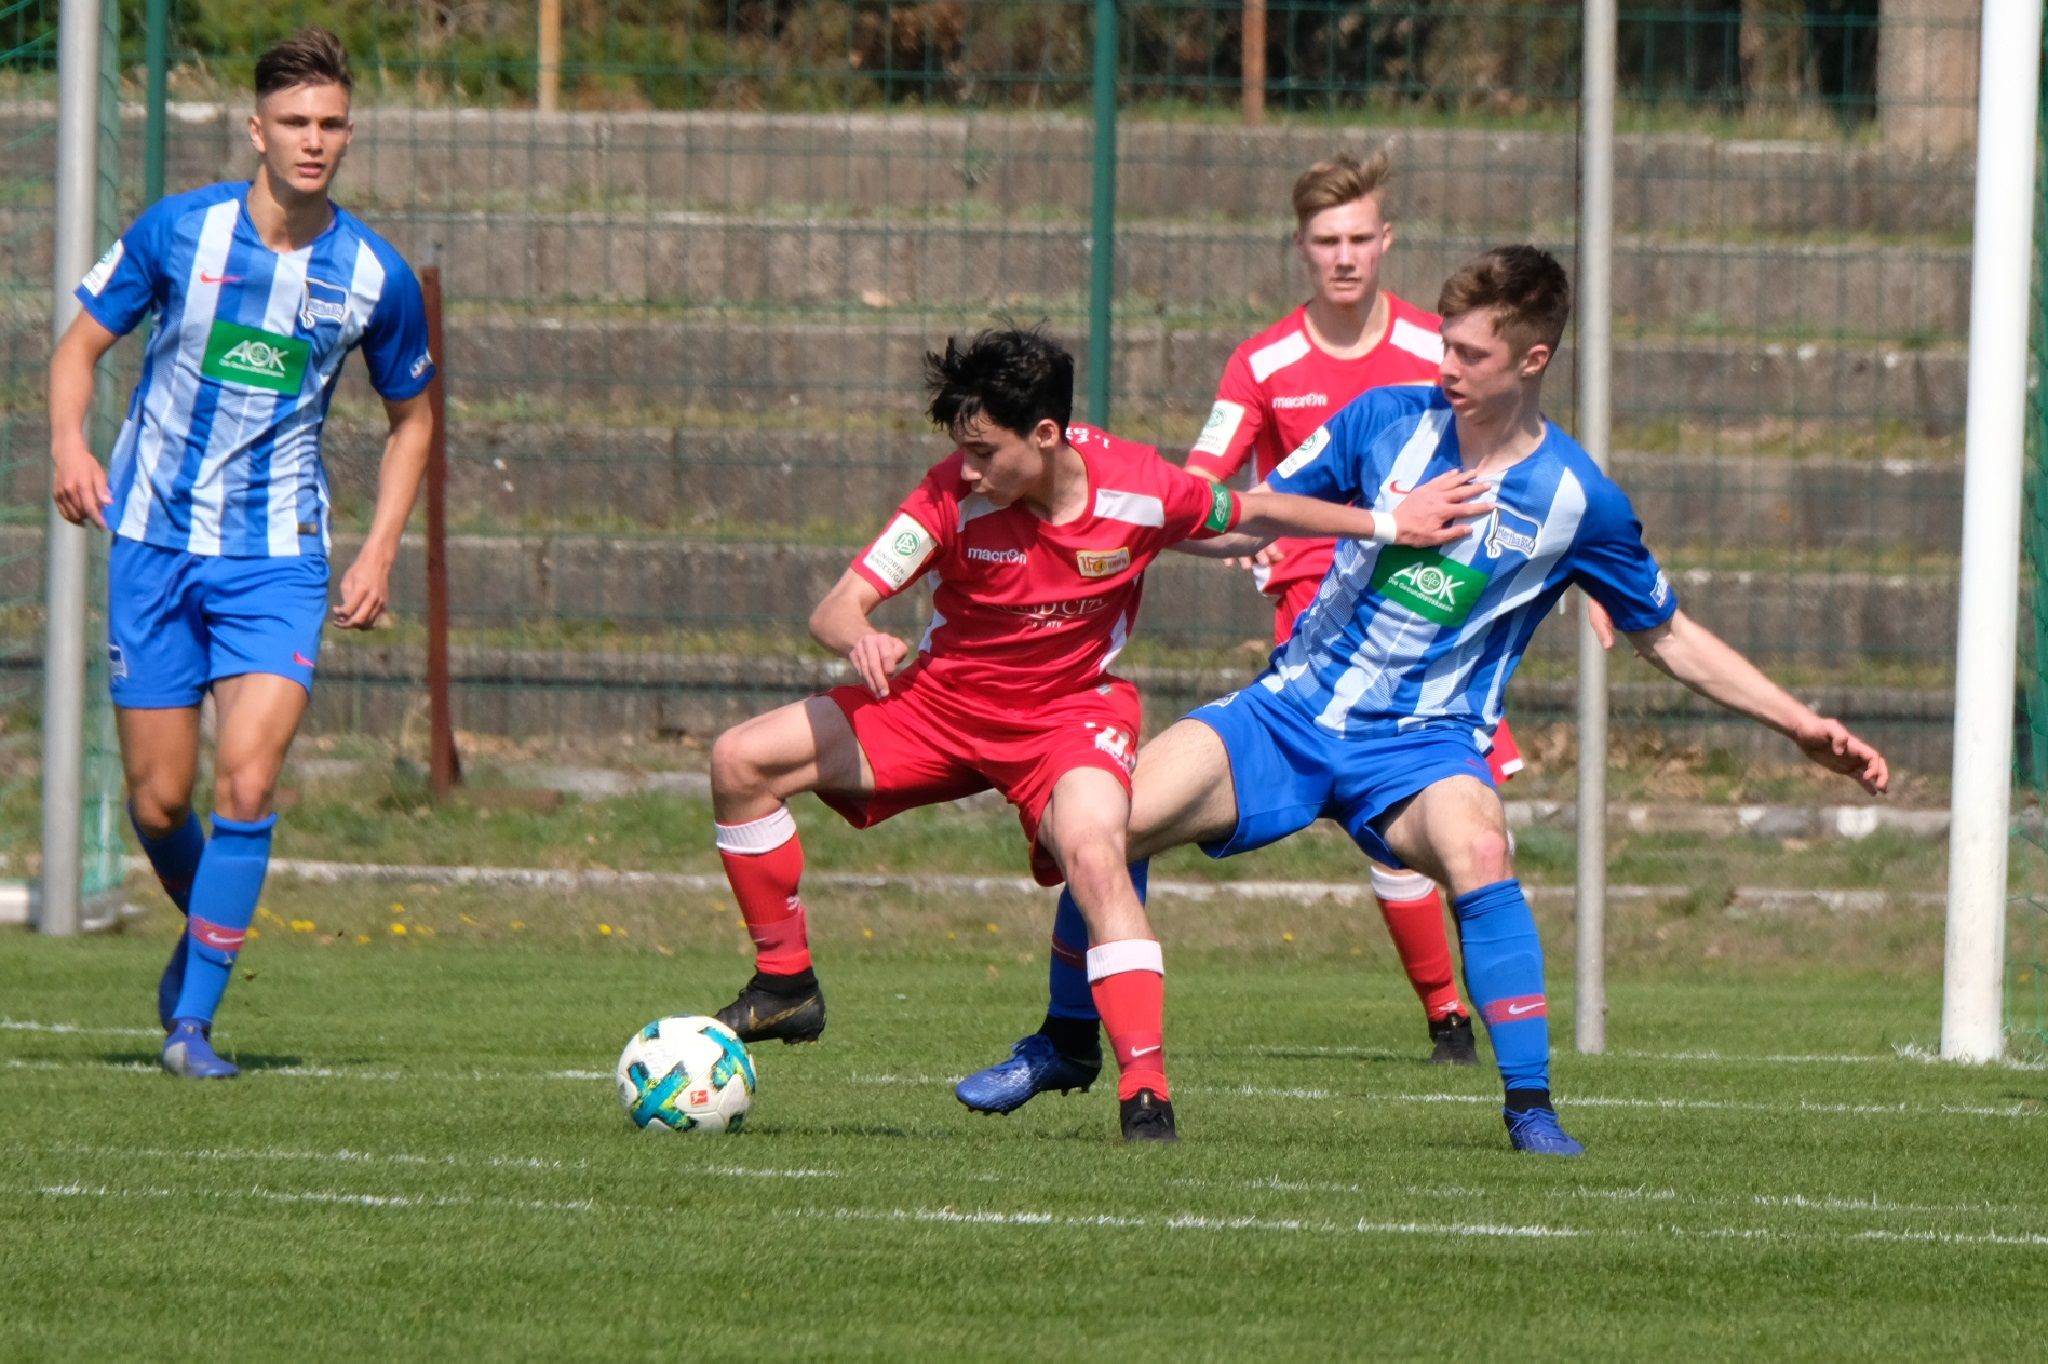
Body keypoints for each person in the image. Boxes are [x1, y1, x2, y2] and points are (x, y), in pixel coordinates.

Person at [968, 247, 1889, 1154]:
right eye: (1445, 343)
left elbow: (1670, 634)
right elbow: (1246, 518)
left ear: (1532, 359)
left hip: (1423, 744)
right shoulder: (1383, 421)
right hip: (1290, 711)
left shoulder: (1579, 500)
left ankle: (1531, 1109)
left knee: (1481, 846)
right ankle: (1067, 1040)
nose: (1446, 365)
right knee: (1103, 822)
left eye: (1471, 353)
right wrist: (1115, 506)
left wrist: (1799, 723)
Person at [700, 325, 1489, 1142]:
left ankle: (1145, 1094)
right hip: (939, 706)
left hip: (1067, 718)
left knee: (1096, 851)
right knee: (741, 760)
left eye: (983, 450)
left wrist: (1388, 524)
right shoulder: (948, 495)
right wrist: (859, 636)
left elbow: (1250, 511)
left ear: (1045, 434)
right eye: (962, 450)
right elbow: (836, 607)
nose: (966, 468)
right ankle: (786, 984)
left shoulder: (1139, 488)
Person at [956, 155, 1509, 1115]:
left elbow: (1522, 462)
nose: (1344, 257)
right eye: (1326, 241)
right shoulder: (1264, 363)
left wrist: (1583, 573)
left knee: (1454, 842)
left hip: (1426, 640)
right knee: (1112, 817)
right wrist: (1219, 525)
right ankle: (1068, 1036)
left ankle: (1477, 1041)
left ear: (1386, 242)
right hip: (1309, 641)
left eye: (1359, 238)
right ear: (1302, 248)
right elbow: (1203, 484)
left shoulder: (1440, 351)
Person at [47, 28, 436, 1079]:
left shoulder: (374, 276)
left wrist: (378, 550)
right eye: (295, 122)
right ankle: (211, 921)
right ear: (255, 130)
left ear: (348, 134)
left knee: (249, 779)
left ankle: (192, 1025)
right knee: (158, 801)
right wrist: (71, 444)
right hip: (153, 541)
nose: (314, 141)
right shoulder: (180, 232)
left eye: (331, 124)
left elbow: (412, 422)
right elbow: (78, 348)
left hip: (277, 558)